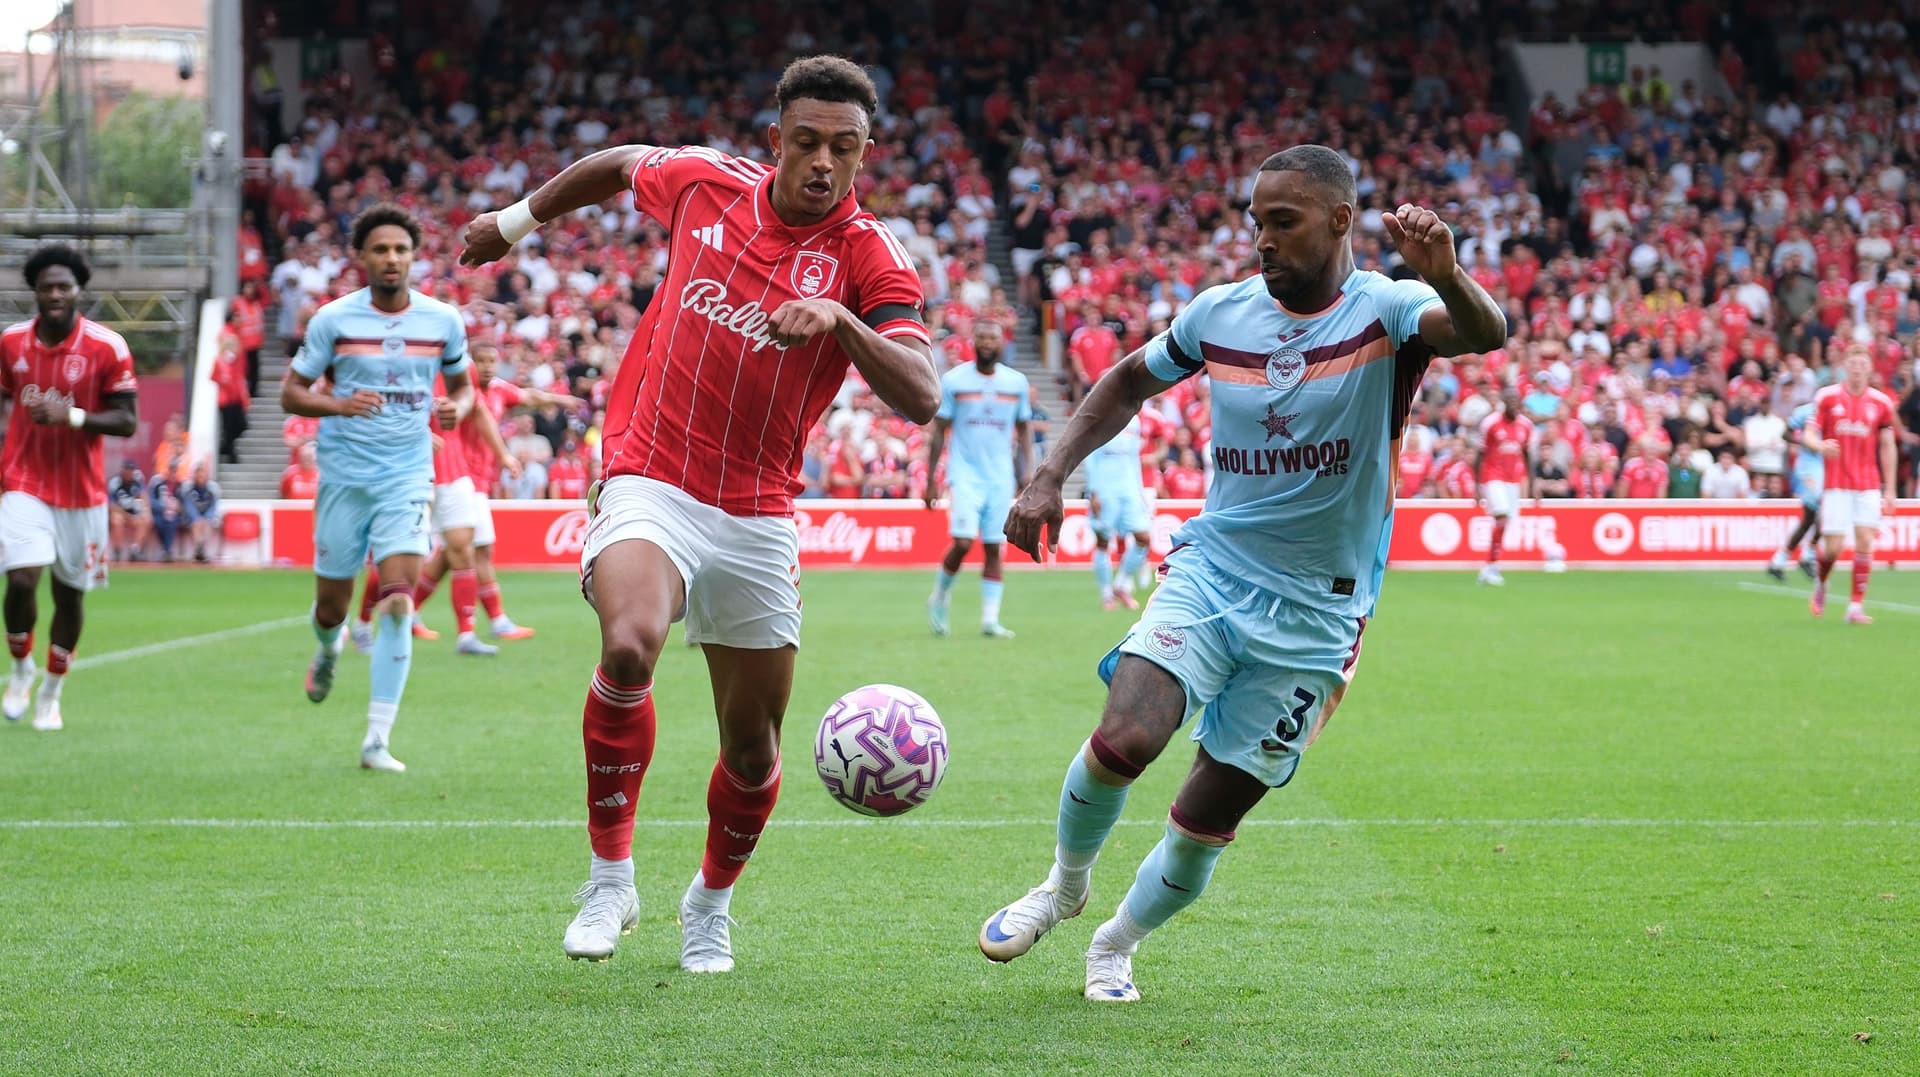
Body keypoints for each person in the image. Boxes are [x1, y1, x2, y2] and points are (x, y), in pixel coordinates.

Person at [975, 146, 1504, 1002]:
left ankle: (1115, 942)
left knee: (1204, 820)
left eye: (1282, 221)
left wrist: (1449, 276)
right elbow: (1122, 381)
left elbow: (1483, 333)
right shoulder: (1221, 314)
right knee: (1125, 738)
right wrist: (1047, 474)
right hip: (1214, 572)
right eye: (1255, 219)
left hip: (1320, 616)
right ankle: (1063, 886)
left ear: (1340, 221)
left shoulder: (1390, 308)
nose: (1261, 238)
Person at [458, 55, 938, 968]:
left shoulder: (870, 255)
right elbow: (618, 162)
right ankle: (609, 882)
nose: (824, 163)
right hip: (654, 475)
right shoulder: (707, 185)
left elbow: (920, 392)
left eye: (845, 148)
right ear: (776, 143)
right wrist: (515, 222)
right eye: (807, 143)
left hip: (759, 511)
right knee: (629, 641)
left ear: (866, 154)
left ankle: (708, 904)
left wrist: (840, 320)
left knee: (752, 750)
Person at [281, 204, 474, 772]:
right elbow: (291, 394)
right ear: (361, 257)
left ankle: (376, 739)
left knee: (396, 598)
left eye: (401, 250)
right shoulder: (333, 320)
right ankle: (325, 649)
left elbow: (464, 390)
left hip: (408, 475)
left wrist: (453, 408)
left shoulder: (443, 321)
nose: (392, 258)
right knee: (331, 607)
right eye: (380, 249)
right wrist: (339, 404)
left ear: (414, 258)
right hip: (344, 478)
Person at [0, 244, 140, 731]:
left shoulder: (107, 346)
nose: (55, 293)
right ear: (34, 291)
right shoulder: (12, 343)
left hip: (81, 493)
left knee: (70, 597)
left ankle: (52, 691)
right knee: (20, 579)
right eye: (46, 286)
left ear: (79, 290)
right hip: (23, 479)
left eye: (64, 286)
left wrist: (73, 416)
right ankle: (20, 669)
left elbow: (127, 421)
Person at [412, 341, 577, 643]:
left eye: (491, 361)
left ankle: (412, 610)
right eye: (481, 360)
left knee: (461, 552)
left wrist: (560, 399)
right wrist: (504, 456)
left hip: (479, 481)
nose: (487, 366)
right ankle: (488, 622)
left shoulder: (499, 390)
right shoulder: (459, 390)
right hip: (460, 477)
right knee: (467, 551)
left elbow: (529, 395)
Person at [923, 318, 1032, 637]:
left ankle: (989, 620)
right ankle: (940, 595)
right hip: (965, 474)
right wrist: (931, 478)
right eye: (981, 337)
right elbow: (939, 432)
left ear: (1002, 342)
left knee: (995, 547)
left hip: (1000, 477)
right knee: (963, 541)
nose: (986, 342)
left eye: (992, 337)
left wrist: (1029, 469)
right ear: (973, 341)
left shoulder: (1016, 383)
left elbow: (1024, 429)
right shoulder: (955, 380)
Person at [1805, 346, 1898, 623]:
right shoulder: (1827, 397)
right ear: (1846, 366)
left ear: (1870, 369)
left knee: (1865, 541)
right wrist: (1820, 445)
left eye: (1862, 364)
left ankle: (1855, 607)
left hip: (1868, 484)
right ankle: (1822, 582)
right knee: (1832, 548)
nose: (1857, 368)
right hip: (1836, 484)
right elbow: (1808, 434)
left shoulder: (1881, 403)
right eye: (1853, 363)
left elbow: (1887, 446)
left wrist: (1890, 488)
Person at [1084, 411, 1154, 610]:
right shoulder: (1102, 415)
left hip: (1129, 489)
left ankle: (1121, 584)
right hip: (1105, 489)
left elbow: (1134, 458)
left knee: (1143, 537)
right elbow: (1090, 455)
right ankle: (1106, 594)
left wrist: (1139, 491)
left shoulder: (1135, 420)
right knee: (1103, 541)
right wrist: (1093, 491)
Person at [1475, 390, 1532, 586]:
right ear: (1504, 402)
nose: (1514, 404)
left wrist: (1533, 483)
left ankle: (1490, 566)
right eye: (1510, 400)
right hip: (1493, 477)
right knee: (1502, 515)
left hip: (1513, 479)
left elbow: (1527, 454)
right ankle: (1491, 567)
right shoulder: (1490, 423)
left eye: (1517, 401)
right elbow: (1480, 454)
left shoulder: (1525, 425)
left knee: (1504, 523)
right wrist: (1477, 485)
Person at [1768, 400, 1824, 579]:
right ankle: (1808, 556)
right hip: (1808, 468)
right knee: (1823, 511)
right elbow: (1785, 434)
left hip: (1826, 467)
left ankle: (1780, 560)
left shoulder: (1836, 412)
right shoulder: (1806, 412)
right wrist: (1802, 440)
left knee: (1809, 519)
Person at [106, 459, 151, 561]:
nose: (129, 472)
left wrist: (143, 510)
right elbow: (111, 506)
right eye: (127, 469)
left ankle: (135, 550)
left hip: (134, 512)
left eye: (131, 470)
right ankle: (117, 551)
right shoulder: (114, 482)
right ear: (122, 470)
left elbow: (144, 497)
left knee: (147, 518)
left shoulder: (138, 479)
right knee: (116, 519)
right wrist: (128, 516)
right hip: (121, 512)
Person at [181, 460, 222, 564]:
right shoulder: (188, 487)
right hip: (191, 517)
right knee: (196, 523)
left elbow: (213, 506)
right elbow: (188, 505)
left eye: (203, 472)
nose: (200, 475)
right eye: (198, 472)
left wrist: (206, 518)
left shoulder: (213, 488)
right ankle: (199, 548)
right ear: (194, 474)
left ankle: (201, 549)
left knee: (207, 524)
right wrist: (197, 518)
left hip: (208, 515)